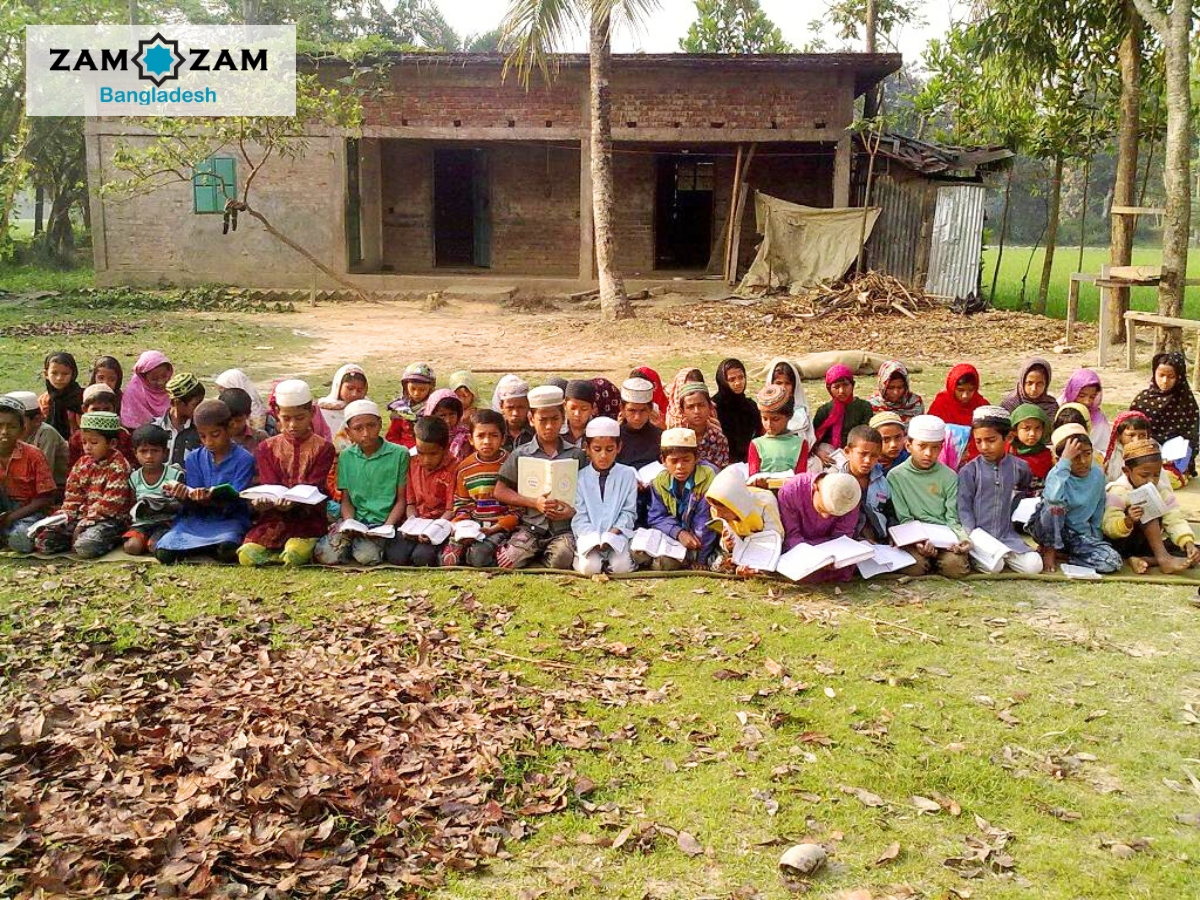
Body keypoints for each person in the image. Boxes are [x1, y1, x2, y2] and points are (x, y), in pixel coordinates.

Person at [238, 380, 336, 567]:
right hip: (273, 520)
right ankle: (278, 555)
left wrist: (294, 502)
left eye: (299, 418)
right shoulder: (266, 448)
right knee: (246, 555)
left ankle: (285, 554)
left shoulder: (323, 448)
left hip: (307, 520)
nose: (292, 425)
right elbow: (268, 486)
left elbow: (314, 487)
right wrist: (263, 502)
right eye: (286, 418)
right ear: (277, 414)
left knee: (293, 555)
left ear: (312, 413)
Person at [493, 385, 587, 569]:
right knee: (508, 561)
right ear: (531, 419)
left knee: (562, 558)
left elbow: (588, 494)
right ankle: (530, 550)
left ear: (563, 419)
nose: (549, 426)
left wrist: (573, 512)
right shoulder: (521, 454)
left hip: (563, 528)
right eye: (542, 420)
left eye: (555, 419)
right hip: (531, 526)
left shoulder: (576, 455)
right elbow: (500, 490)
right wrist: (533, 502)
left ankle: (542, 556)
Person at [155, 399, 257, 564]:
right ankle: (203, 547)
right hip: (196, 519)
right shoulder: (194, 458)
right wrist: (184, 495)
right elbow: (192, 496)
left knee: (227, 549)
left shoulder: (244, 459)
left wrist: (214, 497)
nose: (209, 441)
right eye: (202, 436)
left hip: (228, 520)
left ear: (230, 427)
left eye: (215, 435)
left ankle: (202, 548)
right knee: (164, 552)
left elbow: (238, 499)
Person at [314, 399, 408, 567]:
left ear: (380, 424)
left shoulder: (399, 454)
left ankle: (361, 545)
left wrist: (387, 527)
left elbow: (401, 500)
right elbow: (347, 500)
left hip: (383, 523)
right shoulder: (346, 456)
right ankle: (349, 540)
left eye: (371, 426)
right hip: (357, 521)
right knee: (325, 555)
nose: (366, 433)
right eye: (358, 428)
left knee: (367, 556)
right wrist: (350, 523)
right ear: (348, 432)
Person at [35, 411, 133, 558]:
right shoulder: (81, 464)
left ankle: (96, 539)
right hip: (80, 517)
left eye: (94, 443)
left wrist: (85, 522)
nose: (87, 447)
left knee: (86, 545)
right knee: (44, 541)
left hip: (109, 520)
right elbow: (72, 499)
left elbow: (109, 506)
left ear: (112, 443)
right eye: (84, 442)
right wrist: (62, 518)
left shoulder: (119, 466)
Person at [956, 407, 1043, 574]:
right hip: (979, 537)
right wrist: (971, 537)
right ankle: (986, 556)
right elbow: (964, 509)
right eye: (978, 441)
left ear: (1008, 437)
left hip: (1007, 535)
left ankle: (1005, 554)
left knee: (1034, 565)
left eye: (991, 440)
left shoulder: (1020, 468)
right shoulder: (969, 471)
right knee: (996, 566)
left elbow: (1024, 495)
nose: (984, 447)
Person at [1026, 424, 1122, 574]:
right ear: (1061, 459)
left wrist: (1094, 540)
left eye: (1087, 454)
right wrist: (1064, 462)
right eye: (1075, 457)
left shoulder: (1097, 475)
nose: (1083, 461)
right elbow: (1053, 499)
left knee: (1111, 561)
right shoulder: (1057, 474)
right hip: (1048, 529)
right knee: (1055, 508)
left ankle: (1066, 556)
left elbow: (1098, 508)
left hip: (1077, 535)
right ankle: (1050, 551)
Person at [885, 414, 972, 578]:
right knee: (914, 567)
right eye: (922, 446)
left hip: (944, 537)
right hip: (914, 536)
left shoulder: (949, 477)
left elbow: (952, 517)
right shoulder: (896, 476)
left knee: (955, 567)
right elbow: (904, 518)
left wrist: (963, 539)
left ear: (941, 447)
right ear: (909, 446)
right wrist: (917, 541)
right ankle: (928, 560)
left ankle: (939, 560)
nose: (928, 453)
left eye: (935, 448)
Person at [1103, 438, 1200, 575]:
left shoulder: (1161, 489)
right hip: (1121, 543)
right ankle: (1163, 559)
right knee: (1147, 507)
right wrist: (1128, 520)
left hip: (1148, 545)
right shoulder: (1118, 490)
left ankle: (1144, 560)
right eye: (1144, 475)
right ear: (1127, 471)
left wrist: (1188, 543)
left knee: (1194, 555)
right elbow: (1108, 525)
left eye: (1156, 475)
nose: (1151, 481)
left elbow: (1174, 519)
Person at [444, 409, 519, 568]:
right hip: (473, 525)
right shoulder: (465, 468)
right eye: (480, 436)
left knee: (479, 558)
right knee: (447, 559)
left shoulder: (511, 464)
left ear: (503, 438)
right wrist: (461, 524)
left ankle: (491, 552)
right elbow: (462, 504)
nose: (487, 441)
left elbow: (518, 510)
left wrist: (495, 529)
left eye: (493, 436)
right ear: (471, 439)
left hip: (500, 526)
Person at [639, 427, 718, 571]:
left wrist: (701, 559)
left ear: (696, 458)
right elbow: (656, 517)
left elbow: (705, 523)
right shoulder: (660, 482)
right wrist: (678, 533)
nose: (680, 466)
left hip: (702, 541)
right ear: (663, 460)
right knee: (641, 554)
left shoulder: (708, 476)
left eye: (686, 460)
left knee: (665, 564)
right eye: (674, 461)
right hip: (676, 537)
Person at [386, 416, 456, 567]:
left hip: (439, 524)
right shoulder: (412, 463)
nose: (425, 460)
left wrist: (433, 530)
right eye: (421, 453)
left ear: (445, 448)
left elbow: (450, 510)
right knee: (396, 557)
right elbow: (410, 504)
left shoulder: (453, 468)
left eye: (433, 454)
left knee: (421, 558)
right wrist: (412, 523)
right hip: (417, 522)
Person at [571, 416, 638, 575]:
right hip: (589, 538)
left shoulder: (627, 475)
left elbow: (629, 512)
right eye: (597, 449)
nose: (603, 456)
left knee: (621, 568)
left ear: (618, 447)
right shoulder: (580, 477)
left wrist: (613, 533)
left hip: (617, 536)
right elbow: (579, 515)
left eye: (609, 449)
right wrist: (593, 537)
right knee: (589, 568)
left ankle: (613, 562)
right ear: (587, 448)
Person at [776, 471, 863, 583]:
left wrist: (834, 557)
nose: (826, 516)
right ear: (815, 488)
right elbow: (791, 535)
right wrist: (812, 556)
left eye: (834, 514)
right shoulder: (791, 491)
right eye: (822, 508)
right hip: (798, 550)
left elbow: (843, 537)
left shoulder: (850, 497)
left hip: (831, 551)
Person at [1131, 352, 1199, 483]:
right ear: (1154, 373)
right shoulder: (1143, 400)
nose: (1165, 381)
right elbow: (1131, 430)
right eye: (1161, 375)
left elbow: (1192, 437)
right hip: (1147, 452)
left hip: (1175, 458)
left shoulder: (1186, 402)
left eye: (1171, 377)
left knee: (1169, 477)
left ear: (1179, 377)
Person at [706, 464, 783, 577]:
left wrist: (753, 563)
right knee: (717, 563)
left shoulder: (765, 503)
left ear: (736, 504)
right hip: (741, 548)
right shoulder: (716, 511)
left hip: (765, 547)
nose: (718, 514)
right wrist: (727, 545)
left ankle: (754, 570)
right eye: (715, 509)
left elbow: (775, 538)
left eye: (723, 510)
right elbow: (725, 537)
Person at [0, 395, 55, 553]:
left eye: (11, 427)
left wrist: (10, 517)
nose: (4, 432)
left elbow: (45, 498)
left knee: (21, 541)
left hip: (28, 511)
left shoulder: (33, 455)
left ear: (22, 430)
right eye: (0, 426)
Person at [122, 423, 184, 556]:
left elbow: (182, 504)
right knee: (132, 547)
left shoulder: (174, 475)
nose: (149, 456)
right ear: (135, 453)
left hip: (166, 523)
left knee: (155, 546)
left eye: (155, 451)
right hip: (142, 524)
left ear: (165, 452)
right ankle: (142, 540)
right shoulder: (134, 477)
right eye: (143, 451)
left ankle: (153, 541)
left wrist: (163, 506)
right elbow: (132, 504)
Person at [618, 377, 664, 529]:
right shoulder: (613, 438)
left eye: (643, 410)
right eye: (632, 410)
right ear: (622, 409)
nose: (637, 417)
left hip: (656, 499)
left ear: (650, 409)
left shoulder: (660, 436)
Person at [837, 424, 892, 544]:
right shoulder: (835, 482)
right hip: (848, 542)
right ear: (848, 451)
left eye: (874, 456)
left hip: (880, 542)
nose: (868, 461)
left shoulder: (882, 483)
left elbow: (890, 514)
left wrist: (893, 535)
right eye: (862, 454)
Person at [812, 364, 874, 466]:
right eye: (836, 387)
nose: (841, 391)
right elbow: (812, 437)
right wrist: (818, 451)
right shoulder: (824, 410)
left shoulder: (864, 407)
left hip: (856, 451)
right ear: (829, 389)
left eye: (845, 385)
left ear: (852, 385)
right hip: (828, 453)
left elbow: (866, 435)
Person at [7, 390, 69, 492]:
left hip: (54, 487)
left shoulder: (46, 434)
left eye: (17, 422)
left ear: (36, 420)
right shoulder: (8, 435)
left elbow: (43, 475)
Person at [68, 384, 134, 468]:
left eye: (106, 409)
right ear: (84, 409)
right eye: (95, 410)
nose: (101, 414)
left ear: (114, 410)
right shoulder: (77, 438)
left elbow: (131, 463)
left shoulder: (123, 436)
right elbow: (72, 467)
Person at [748, 384, 806, 479]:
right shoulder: (756, 444)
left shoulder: (800, 444)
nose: (769, 424)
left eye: (775, 419)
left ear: (789, 415)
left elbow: (801, 478)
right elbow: (753, 478)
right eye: (765, 419)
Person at [762, 357, 816, 453]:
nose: (783, 387)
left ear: (794, 385)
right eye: (779, 383)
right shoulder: (764, 410)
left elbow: (809, 439)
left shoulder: (801, 410)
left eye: (787, 383)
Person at [713, 358, 760, 464]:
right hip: (722, 462)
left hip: (749, 460)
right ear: (723, 381)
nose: (738, 383)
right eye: (732, 379)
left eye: (741, 377)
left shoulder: (750, 406)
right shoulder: (714, 407)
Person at [154, 372, 204, 466]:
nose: (200, 408)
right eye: (195, 404)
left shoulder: (202, 430)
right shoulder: (155, 428)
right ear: (178, 402)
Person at [678, 381, 730, 469]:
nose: (697, 411)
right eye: (690, 407)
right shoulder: (677, 438)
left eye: (701, 405)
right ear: (682, 411)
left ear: (710, 407)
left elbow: (722, 471)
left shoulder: (718, 438)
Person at [317, 363, 368, 447]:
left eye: (359, 390)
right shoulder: (322, 410)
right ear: (338, 386)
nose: (354, 394)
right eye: (350, 388)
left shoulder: (366, 408)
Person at [1061, 368, 1111, 453]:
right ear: (1072, 392)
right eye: (1082, 396)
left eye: (1092, 397)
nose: (1087, 402)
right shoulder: (1059, 410)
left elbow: (1105, 449)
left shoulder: (1099, 419)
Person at [120, 350, 174, 429]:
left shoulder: (173, 390)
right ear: (143, 377)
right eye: (154, 379)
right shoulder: (133, 393)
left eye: (164, 376)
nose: (160, 382)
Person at [1007, 404, 1053, 492]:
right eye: (1026, 428)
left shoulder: (1048, 456)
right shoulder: (1007, 453)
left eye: (1038, 428)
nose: (1032, 434)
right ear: (1015, 431)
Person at [927, 363, 988, 428]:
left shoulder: (982, 407)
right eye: (960, 390)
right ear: (952, 388)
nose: (965, 395)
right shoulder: (940, 405)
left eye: (971, 390)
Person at [1103, 411, 1156, 483]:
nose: (1136, 440)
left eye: (1142, 435)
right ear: (1119, 436)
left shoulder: (1152, 455)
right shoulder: (1113, 456)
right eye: (1131, 435)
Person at [422, 389, 472, 463]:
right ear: (432, 415)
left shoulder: (466, 437)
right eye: (442, 415)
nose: (448, 420)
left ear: (459, 414)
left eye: (452, 414)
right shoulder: (425, 435)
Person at [216, 368, 271, 433]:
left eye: (223, 388)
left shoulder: (254, 409)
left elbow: (257, 431)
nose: (221, 392)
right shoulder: (224, 402)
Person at [43, 351, 83, 438]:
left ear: (73, 374)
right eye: (54, 373)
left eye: (65, 374)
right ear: (46, 374)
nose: (59, 378)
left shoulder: (81, 398)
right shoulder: (44, 400)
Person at [220, 387, 269, 455]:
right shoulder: (217, 438)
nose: (234, 425)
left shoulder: (259, 437)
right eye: (229, 420)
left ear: (248, 415)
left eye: (238, 420)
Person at [496, 376, 534, 451]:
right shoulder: (495, 430)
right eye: (510, 408)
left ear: (528, 405)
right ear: (501, 406)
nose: (515, 413)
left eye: (521, 407)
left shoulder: (537, 432)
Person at [563, 380, 596, 447]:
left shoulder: (598, 432)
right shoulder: (556, 430)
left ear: (593, 408)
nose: (577, 414)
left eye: (584, 409)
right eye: (573, 408)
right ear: (564, 405)